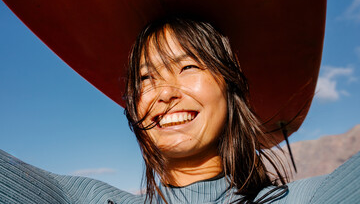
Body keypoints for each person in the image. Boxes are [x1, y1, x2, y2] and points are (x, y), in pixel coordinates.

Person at [0, 16, 359, 204]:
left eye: (188, 67)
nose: (164, 93)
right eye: (145, 77)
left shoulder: (306, 200)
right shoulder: (84, 200)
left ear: (231, 85)